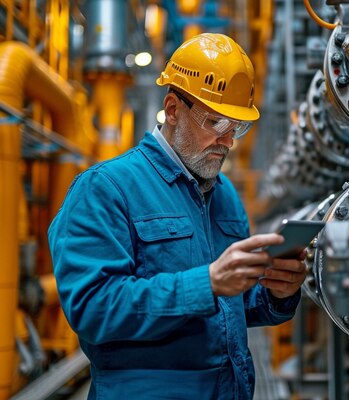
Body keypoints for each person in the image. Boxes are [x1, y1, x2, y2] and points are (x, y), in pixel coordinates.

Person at [48, 33, 307, 399]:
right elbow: (93, 308)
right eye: (216, 122)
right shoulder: (106, 188)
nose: (228, 140)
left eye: (236, 128)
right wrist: (207, 283)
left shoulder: (225, 194)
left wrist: (277, 293)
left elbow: (232, 308)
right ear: (172, 109)